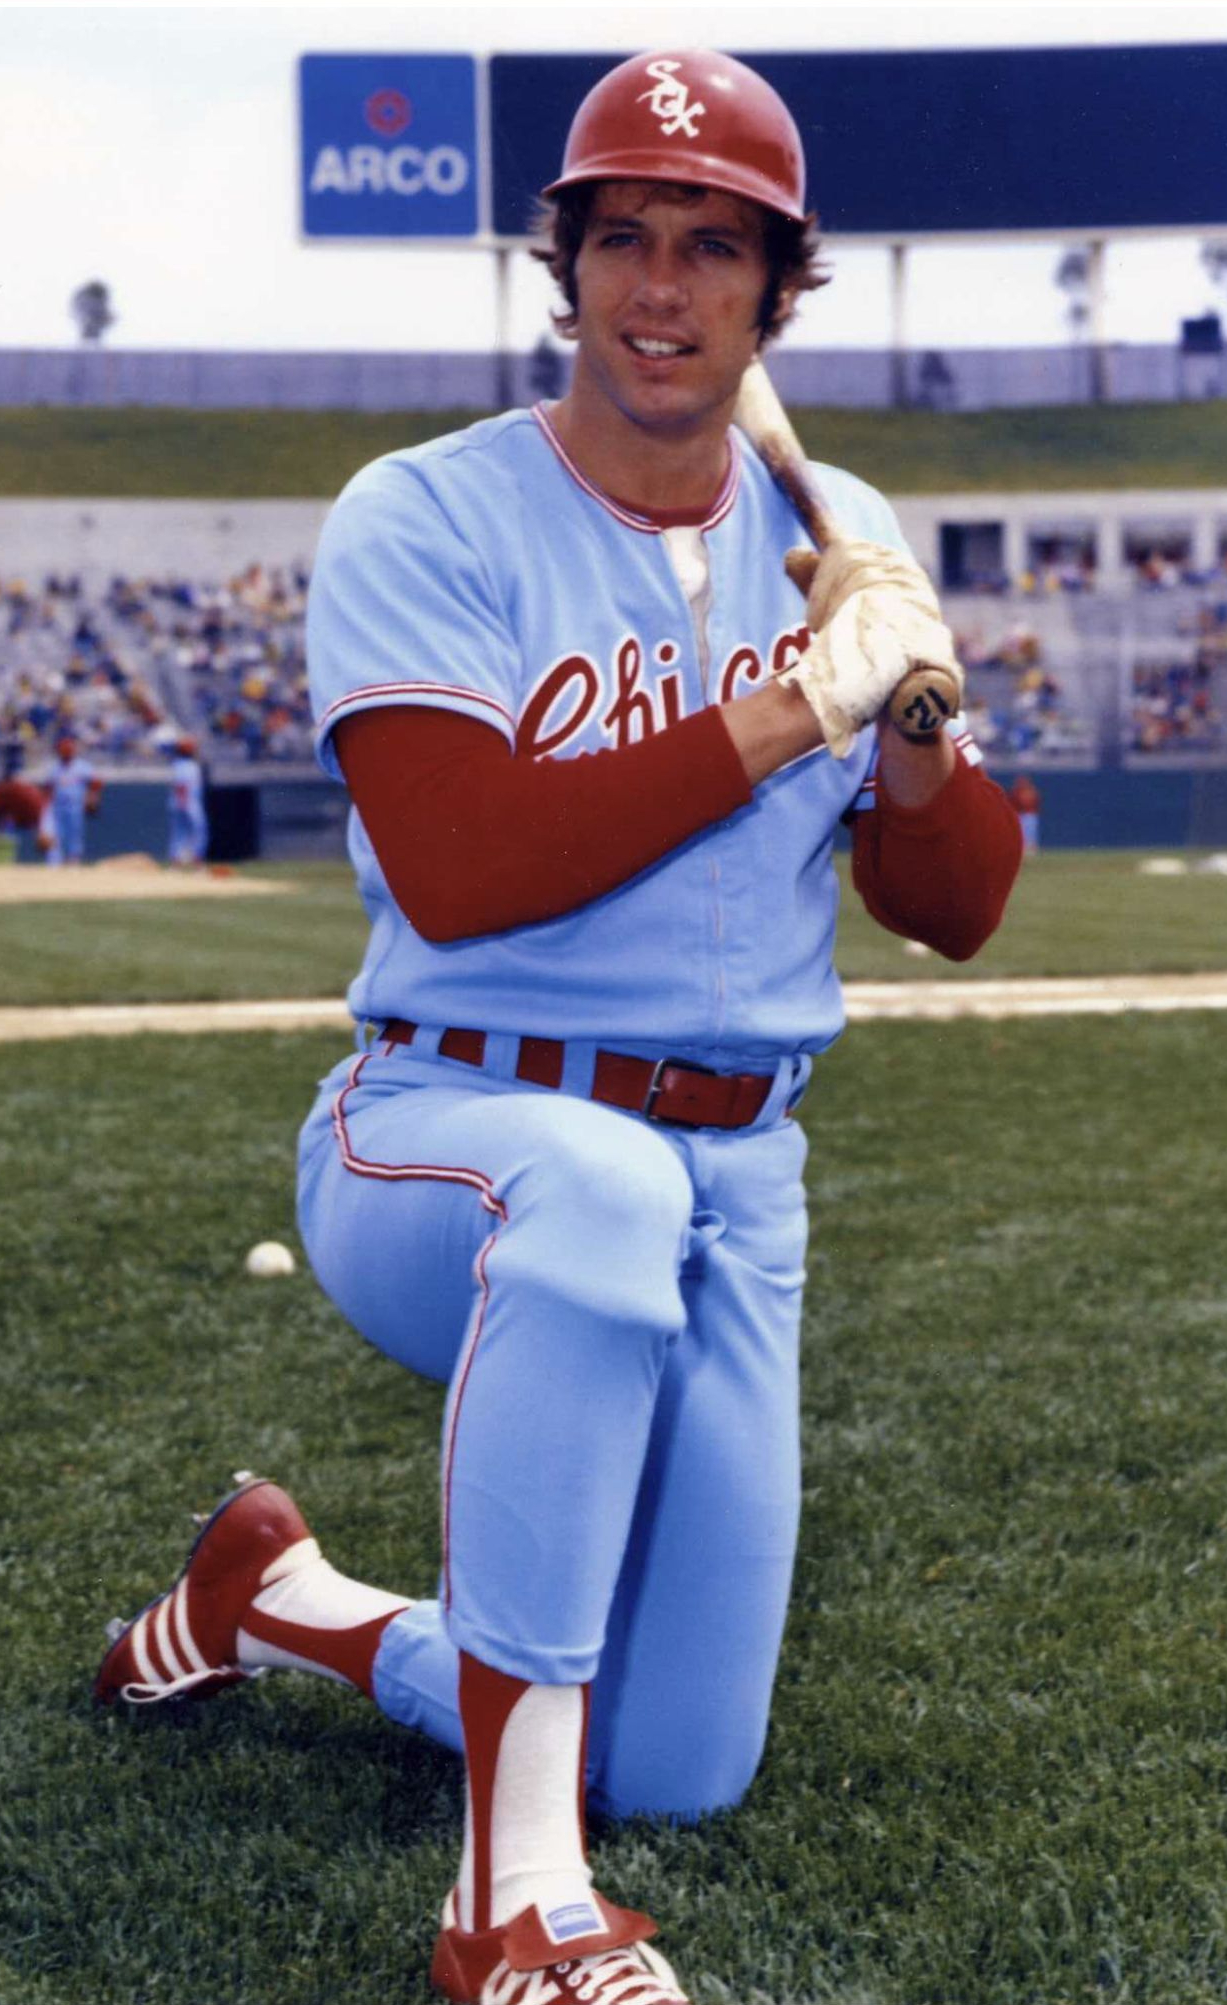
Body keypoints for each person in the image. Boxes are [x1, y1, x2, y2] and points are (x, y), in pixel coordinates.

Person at [96, 49, 1023, 2005]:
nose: (660, 289)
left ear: (779, 291)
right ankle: (510, 1900)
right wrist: (789, 705)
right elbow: (463, 862)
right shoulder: (422, 512)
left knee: (676, 1764)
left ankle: (280, 1601)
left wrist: (915, 714)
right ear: (565, 267)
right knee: (593, 1198)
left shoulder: (831, 515)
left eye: (710, 247)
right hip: (447, 1127)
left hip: (736, 1173)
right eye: (622, 239)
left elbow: (949, 909)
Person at [45, 732, 102, 865]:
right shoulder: (54, 768)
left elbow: (96, 783)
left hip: (75, 806)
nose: (66, 752)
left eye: (69, 749)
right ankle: (55, 863)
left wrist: (92, 798)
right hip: (57, 807)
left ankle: (73, 862)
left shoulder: (82, 766)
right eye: (64, 749)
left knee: (74, 835)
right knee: (55, 835)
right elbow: (48, 788)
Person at [166, 733, 208, 866]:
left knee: (179, 831)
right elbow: (181, 785)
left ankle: (177, 861)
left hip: (180, 802)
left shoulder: (178, 764)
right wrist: (184, 804)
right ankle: (196, 861)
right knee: (198, 830)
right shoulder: (188, 766)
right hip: (187, 803)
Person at [1009, 772, 1042, 852]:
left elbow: (1037, 801)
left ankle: (1032, 848)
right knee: (1021, 833)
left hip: (1031, 814)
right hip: (1020, 814)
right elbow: (1012, 803)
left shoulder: (1031, 790)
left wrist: (1035, 811)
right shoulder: (1016, 791)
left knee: (1031, 832)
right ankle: (1021, 848)